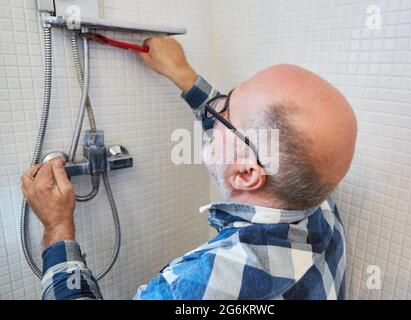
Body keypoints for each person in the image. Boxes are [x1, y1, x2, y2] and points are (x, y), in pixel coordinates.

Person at [21, 37, 357, 300]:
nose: (216, 109)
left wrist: (57, 227)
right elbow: (254, 140)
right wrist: (183, 74)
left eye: (225, 109)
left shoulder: (195, 285)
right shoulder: (315, 202)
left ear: (246, 174)